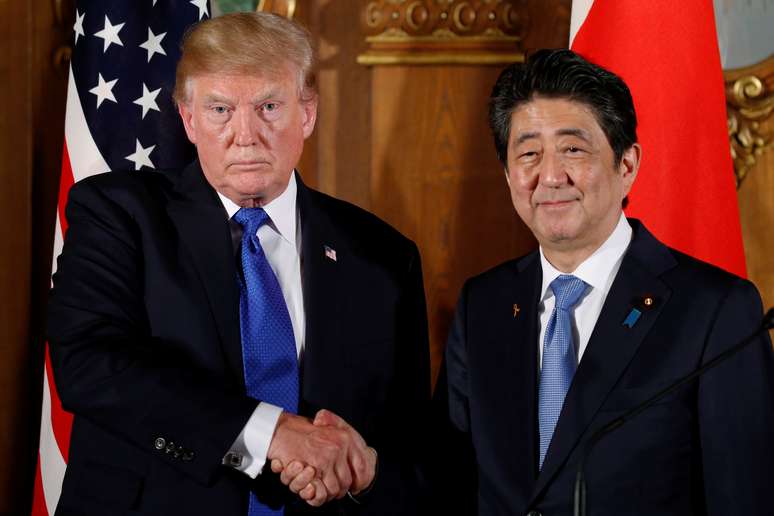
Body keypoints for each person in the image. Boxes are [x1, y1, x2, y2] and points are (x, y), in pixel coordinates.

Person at [47, 12, 429, 516]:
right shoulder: (119, 215)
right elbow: (90, 366)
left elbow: (412, 449)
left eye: (269, 106)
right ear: (187, 120)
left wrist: (360, 470)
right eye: (220, 109)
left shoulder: (381, 255)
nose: (245, 134)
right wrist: (272, 436)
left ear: (307, 113)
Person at [434, 49, 774, 515]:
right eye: (529, 153)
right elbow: (445, 480)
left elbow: (745, 499)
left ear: (627, 165)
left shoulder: (715, 313)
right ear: (508, 175)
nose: (550, 176)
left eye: (573, 149)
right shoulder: (484, 304)